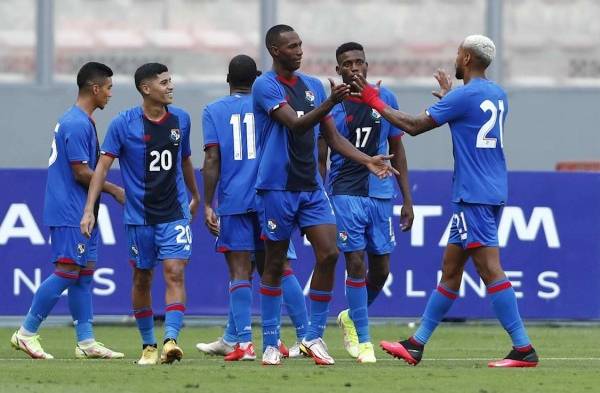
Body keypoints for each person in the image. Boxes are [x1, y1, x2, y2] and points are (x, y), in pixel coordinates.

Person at [353, 35, 538, 368]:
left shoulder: (464, 96)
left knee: (489, 268)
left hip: (474, 195)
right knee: (451, 271)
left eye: (457, 53)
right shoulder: (496, 93)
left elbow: (412, 126)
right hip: (491, 189)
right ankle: (416, 343)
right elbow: (471, 117)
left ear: (466, 58)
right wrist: (451, 98)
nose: (455, 57)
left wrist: (371, 98)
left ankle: (523, 348)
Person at [253, 24, 397, 366]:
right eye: (292, 46)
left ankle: (313, 336)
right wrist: (332, 101)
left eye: (301, 44)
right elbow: (297, 124)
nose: (299, 51)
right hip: (277, 187)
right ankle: (271, 341)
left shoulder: (312, 86)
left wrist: (367, 159)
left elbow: (332, 137)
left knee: (330, 253)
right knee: (274, 263)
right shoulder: (266, 85)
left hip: (311, 188)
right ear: (275, 50)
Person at [80, 63, 201, 366]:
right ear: (147, 89)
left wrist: (196, 195)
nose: (170, 86)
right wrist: (89, 209)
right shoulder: (123, 124)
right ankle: (149, 344)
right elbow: (102, 168)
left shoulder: (181, 120)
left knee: (175, 272)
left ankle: (171, 340)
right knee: (142, 278)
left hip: (174, 213)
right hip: (139, 217)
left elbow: (184, 159)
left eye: (171, 80)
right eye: (164, 82)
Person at [195, 54, 308, 360]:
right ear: (257, 79)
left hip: (235, 198)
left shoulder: (214, 110)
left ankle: (242, 343)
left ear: (228, 80)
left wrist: (208, 202)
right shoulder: (271, 101)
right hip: (272, 194)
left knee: (240, 270)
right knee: (281, 266)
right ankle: (306, 336)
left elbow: (212, 159)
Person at [10, 62, 125, 360]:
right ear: (95, 88)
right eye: (109, 88)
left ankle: (86, 341)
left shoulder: (81, 121)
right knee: (66, 271)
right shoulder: (75, 123)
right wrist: (114, 190)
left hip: (81, 209)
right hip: (70, 210)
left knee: (84, 274)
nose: (111, 94)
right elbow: (80, 172)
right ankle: (26, 332)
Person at [318, 42, 414, 363]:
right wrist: (319, 195)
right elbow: (323, 154)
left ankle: (350, 317)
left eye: (360, 63)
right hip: (345, 192)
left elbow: (397, 149)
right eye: (348, 64)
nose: (355, 68)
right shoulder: (331, 104)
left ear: (367, 66)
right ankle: (365, 340)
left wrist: (407, 199)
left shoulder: (385, 99)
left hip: (381, 193)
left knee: (382, 270)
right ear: (338, 70)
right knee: (355, 262)